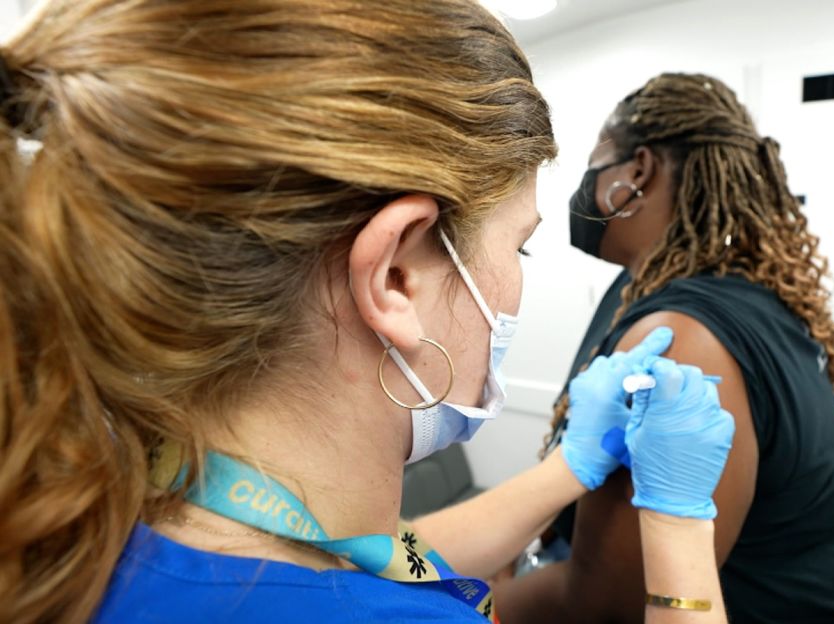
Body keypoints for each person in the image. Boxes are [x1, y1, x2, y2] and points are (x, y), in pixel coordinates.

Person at [0, 3, 736, 623]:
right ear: (394, 277)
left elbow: (372, 553)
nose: (517, 282)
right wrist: (678, 524)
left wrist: (573, 465)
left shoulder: (96, 519)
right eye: (521, 248)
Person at [493, 73, 834, 623]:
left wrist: (447, 597)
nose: (581, 187)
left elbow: (602, 609)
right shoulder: (678, 287)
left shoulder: (682, 339)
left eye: (597, 162)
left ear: (637, 171)